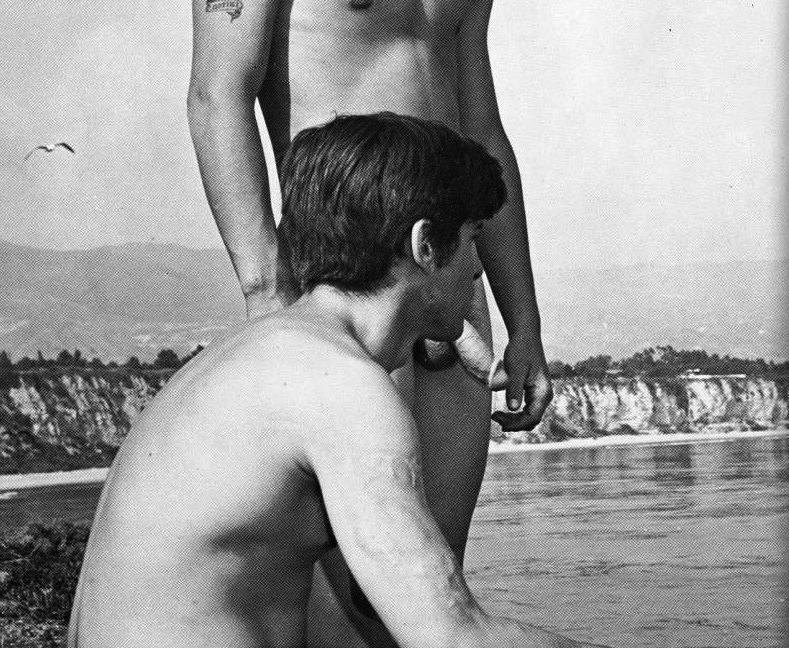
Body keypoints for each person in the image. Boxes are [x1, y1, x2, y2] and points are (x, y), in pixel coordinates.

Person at [188, 0, 552, 642]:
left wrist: (523, 320)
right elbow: (217, 94)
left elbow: (483, 135)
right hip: (339, 288)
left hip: (450, 297)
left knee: (424, 596)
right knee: (335, 605)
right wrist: (265, 293)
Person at [69, 114, 600, 648]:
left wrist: (441, 330)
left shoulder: (263, 355)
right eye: (471, 240)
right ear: (425, 246)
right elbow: (451, 639)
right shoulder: (346, 390)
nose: (478, 270)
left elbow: (383, 596)